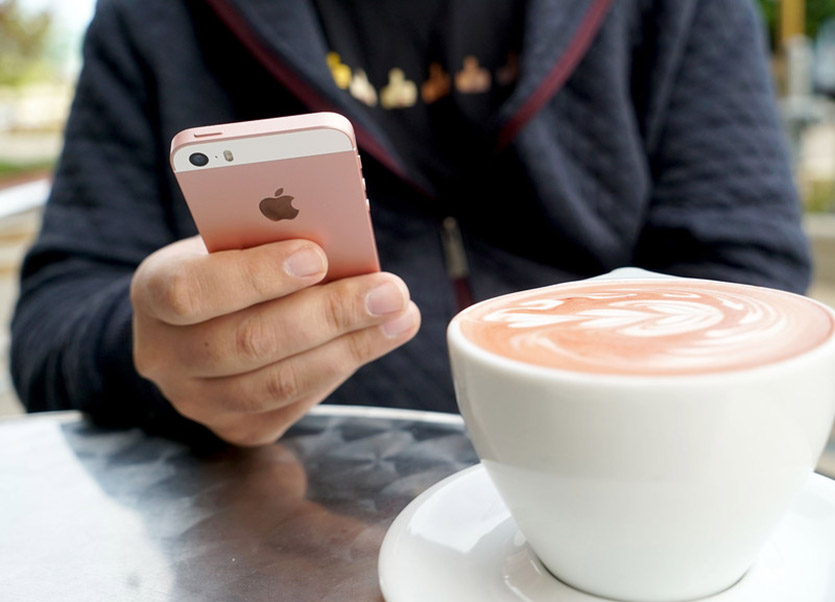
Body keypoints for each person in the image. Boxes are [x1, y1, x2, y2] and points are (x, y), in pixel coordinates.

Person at [10, 0, 812, 446]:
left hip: (625, 487)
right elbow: (50, 331)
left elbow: (750, 277)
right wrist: (155, 356)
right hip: (279, 522)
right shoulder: (154, 21)